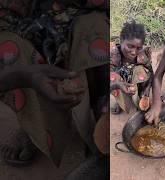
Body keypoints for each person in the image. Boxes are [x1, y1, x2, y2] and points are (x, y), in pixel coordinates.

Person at [0, 0, 108, 166]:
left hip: (70, 15)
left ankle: (102, 114)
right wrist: (22, 76)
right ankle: (33, 129)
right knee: (8, 48)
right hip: (15, 27)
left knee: (96, 27)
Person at [110, 21, 153, 114]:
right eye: (130, 46)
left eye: (138, 48)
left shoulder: (142, 56)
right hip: (121, 82)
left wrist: (146, 94)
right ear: (121, 41)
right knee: (112, 77)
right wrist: (118, 85)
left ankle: (141, 97)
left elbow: (151, 73)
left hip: (136, 81)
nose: (134, 52)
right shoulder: (112, 55)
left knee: (142, 71)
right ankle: (120, 102)